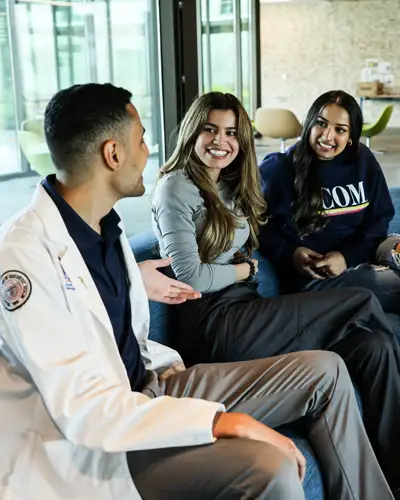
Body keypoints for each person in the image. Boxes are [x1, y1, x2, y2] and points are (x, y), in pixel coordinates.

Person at [0, 83, 388, 500]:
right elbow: (85, 412)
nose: (148, 152)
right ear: (113, 154)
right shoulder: (23, 260)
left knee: (331, 369)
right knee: (271, 466)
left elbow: (126, 337)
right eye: (142, 140)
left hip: (153, 385)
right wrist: (224, 421)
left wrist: (164, 355)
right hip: (102, 440)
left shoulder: (103, 229)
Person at [152, 90, 400, 498]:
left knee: (370, 344)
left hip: (248, 310)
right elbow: (191, 278)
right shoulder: (176, 187)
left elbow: (267, 227)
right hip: (215, 323)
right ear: (192, 131)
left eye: (231, 132)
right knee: (361, 300)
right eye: (210, 129)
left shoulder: (229, 181)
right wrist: (245, 268)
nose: (221, 140)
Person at [258, 90, 400, 315]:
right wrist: (290, 253)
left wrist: (347, 257)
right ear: (309, 123)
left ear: (351, 135)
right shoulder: (278, 169)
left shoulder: (363, 161)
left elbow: (379, 218)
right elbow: (255, 224)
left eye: (340, 130)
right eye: (321, 124)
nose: (327, 136)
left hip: (365, 258)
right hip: (315, 280)